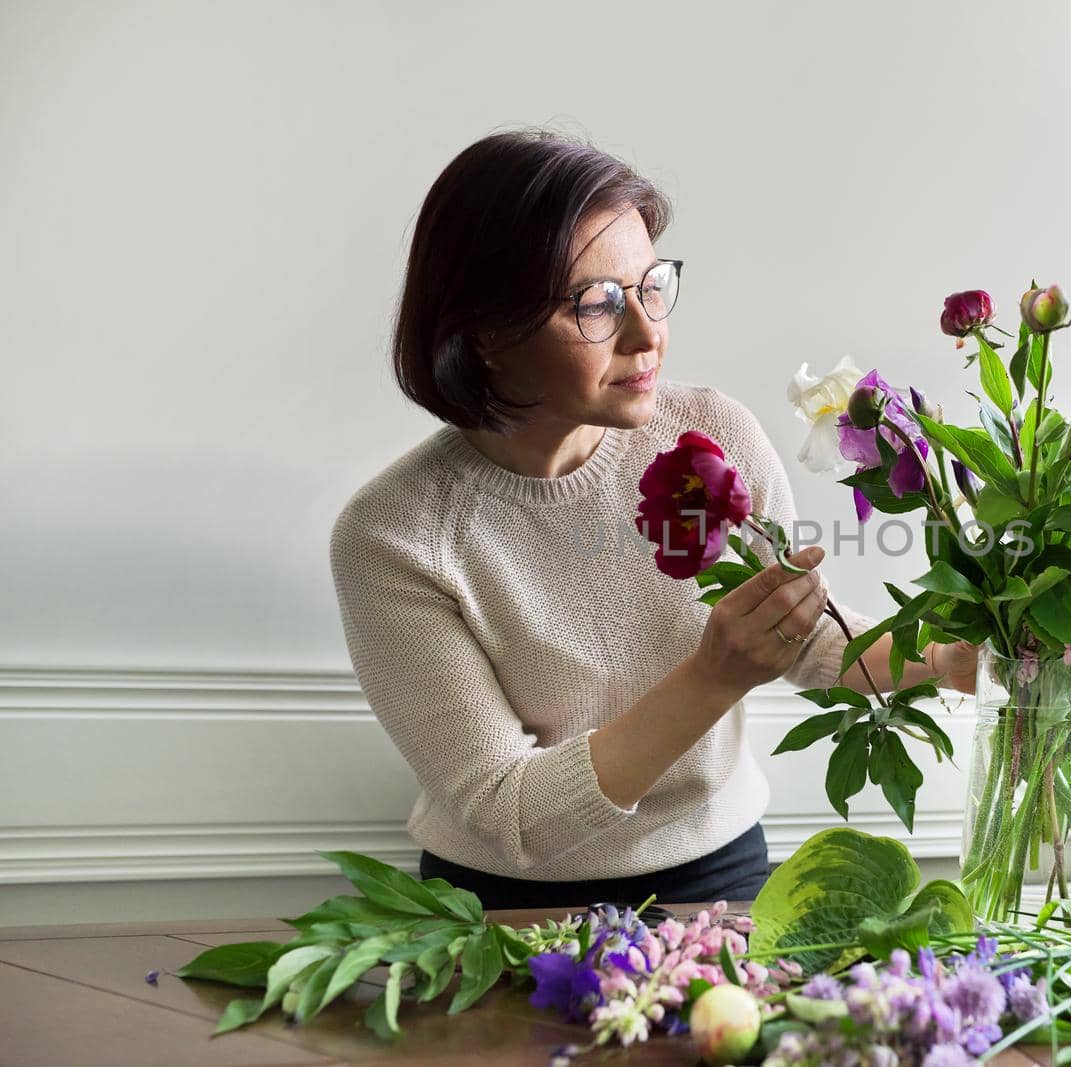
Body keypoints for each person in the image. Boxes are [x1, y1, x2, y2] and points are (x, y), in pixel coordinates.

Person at [329, 128, 977, 910]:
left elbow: (803, 635)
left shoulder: (718, 433)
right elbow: (511, 814)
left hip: (720, 872)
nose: (648, 334)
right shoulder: (394, 536)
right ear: (487, 332)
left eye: (651, 285)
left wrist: (948, 660)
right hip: (502, 906)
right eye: (597, 304)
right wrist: (713, 677)